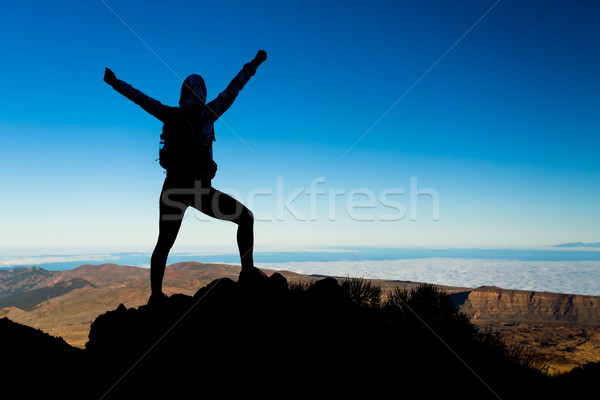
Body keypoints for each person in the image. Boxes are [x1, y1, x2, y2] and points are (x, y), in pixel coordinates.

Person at [104, 50, 268, 305]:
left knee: (163, 244)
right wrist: (255, 63)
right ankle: (247, 272)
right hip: (200, 190)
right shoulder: (209, 112)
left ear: (182, 93)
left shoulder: (169, 114)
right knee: (245, 218)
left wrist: (116, 83)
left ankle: (156, 296)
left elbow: (141, 99)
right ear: (202, 92)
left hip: (172, 189)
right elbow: (234, 88)